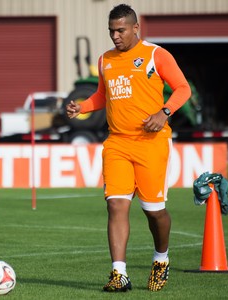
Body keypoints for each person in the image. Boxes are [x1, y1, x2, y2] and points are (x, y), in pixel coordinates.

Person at [66, 4, 191, 292]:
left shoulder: (156, 55)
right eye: (111, 30)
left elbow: (182, 88)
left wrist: (164, 113)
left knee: (154, 210)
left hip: (151, 144)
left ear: (136, 28)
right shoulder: (105, 60)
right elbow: (102, 95)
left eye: (121, 29)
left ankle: (161, 259)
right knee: (116, 205)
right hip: (117, 143)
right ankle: (118, 274)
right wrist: (82, 107)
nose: (115, 35)